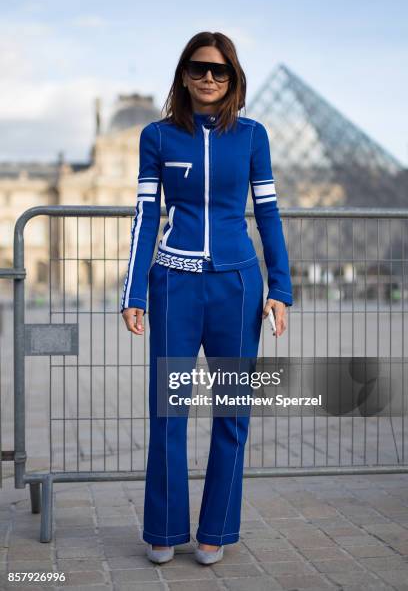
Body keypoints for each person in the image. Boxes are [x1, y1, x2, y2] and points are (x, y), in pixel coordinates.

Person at [120, 31, 293, 565]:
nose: (209, 79)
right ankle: (164, 530)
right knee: (169, 414)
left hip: (238, 287)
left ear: (233, 77)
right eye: (198, 69)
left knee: (232, 414)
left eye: (219, 71)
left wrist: (280, 288)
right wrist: (133, 291)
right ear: (184, 74)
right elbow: (147, 215)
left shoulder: (252, 136)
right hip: (172, 286)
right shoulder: (157, 136)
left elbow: (267, 214)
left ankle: (215, 529)